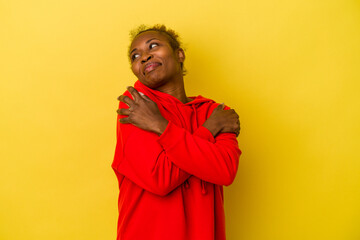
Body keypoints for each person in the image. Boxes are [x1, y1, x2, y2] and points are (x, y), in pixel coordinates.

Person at [112, 24, 241, 240]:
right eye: (135, 56)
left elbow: (225, 170)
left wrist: (159, 126)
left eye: (153, 46)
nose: (144, 57)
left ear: (179, 54)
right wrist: (209, 129)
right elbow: (160, 179)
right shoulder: (135, 106)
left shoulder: (215, 111)